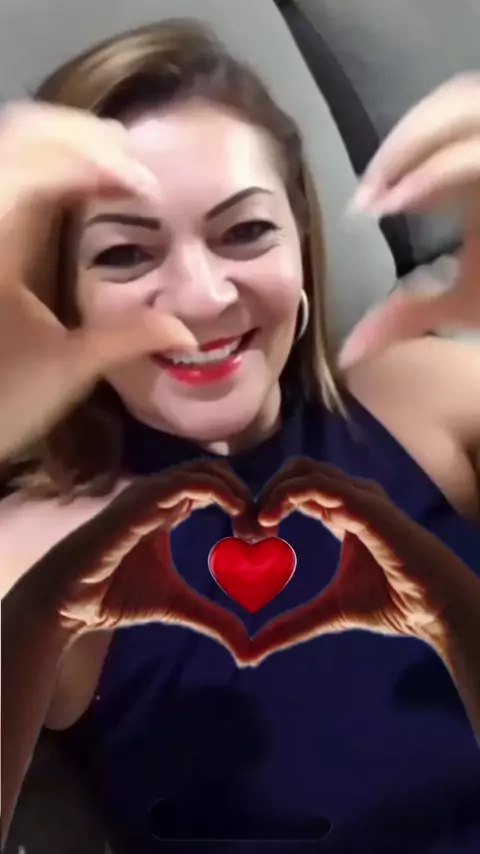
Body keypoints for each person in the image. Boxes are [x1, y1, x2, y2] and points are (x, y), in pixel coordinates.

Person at [1, 20, 479, 854]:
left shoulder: (418, 394)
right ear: (61, 293)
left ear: (301, 242)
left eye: (244, 232)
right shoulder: (46, 550)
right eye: (125, 254)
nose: (202, 297)